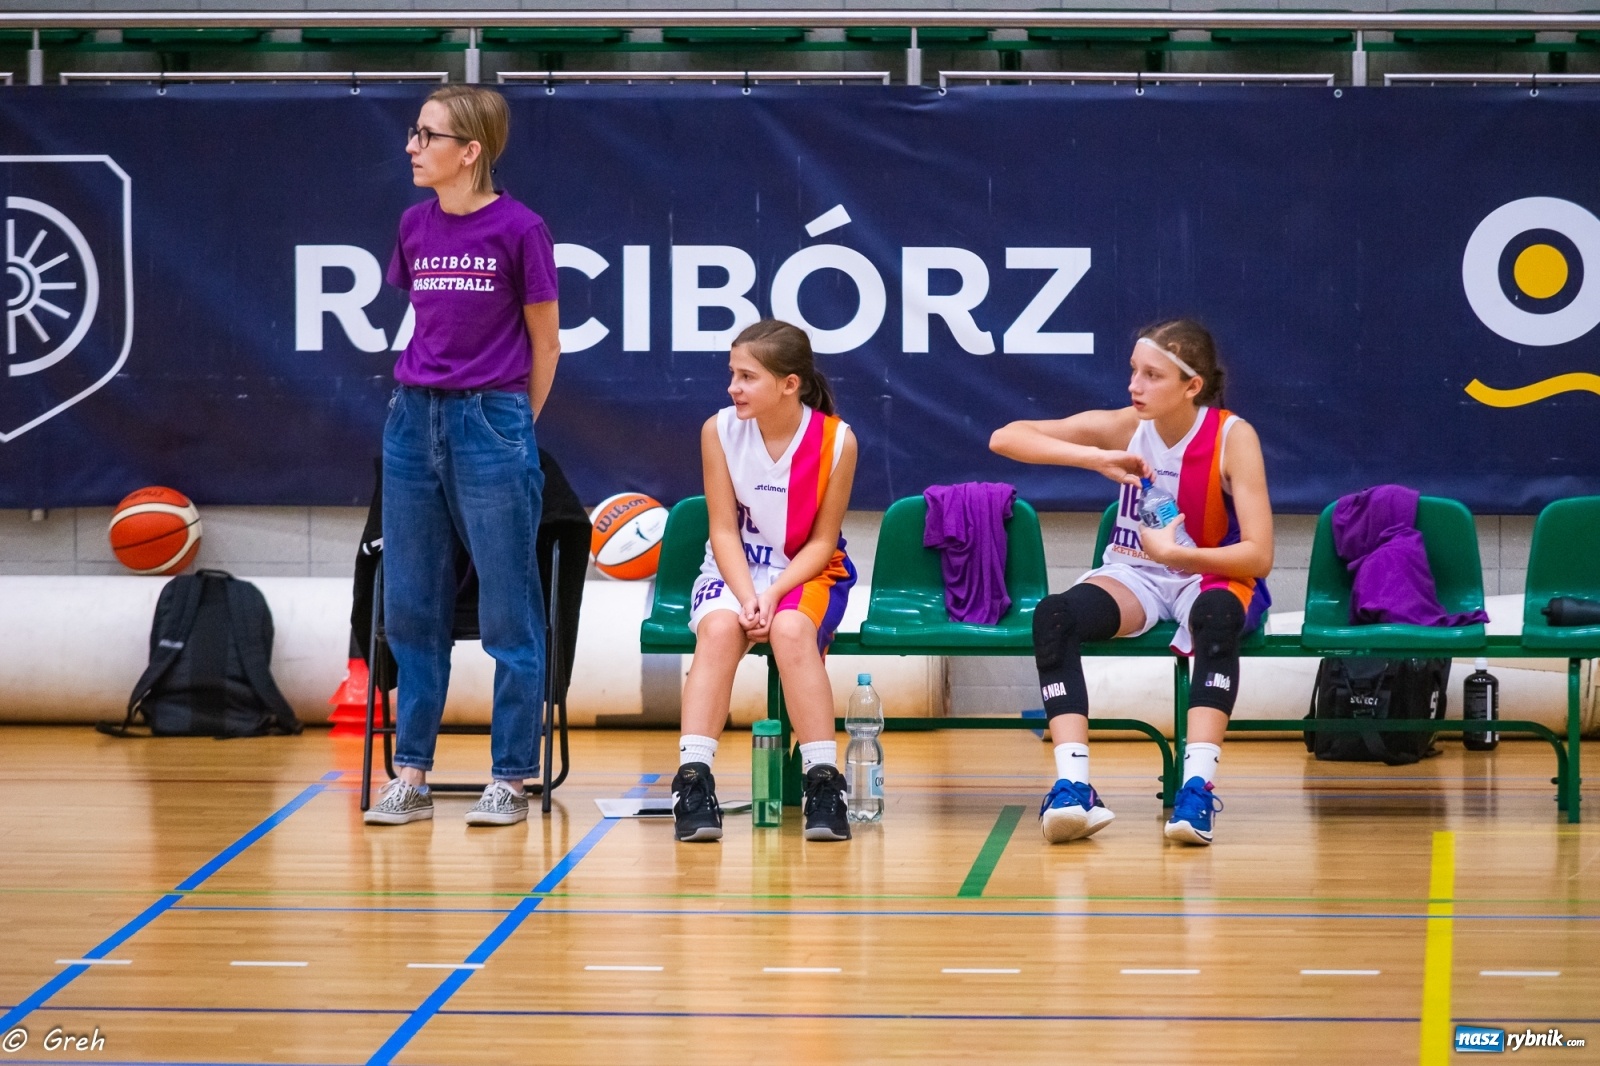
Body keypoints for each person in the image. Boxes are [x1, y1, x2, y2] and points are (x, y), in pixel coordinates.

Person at [990, 320, 1272, 846]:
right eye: (1133, 371)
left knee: (1217, 618)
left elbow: (1259, 555)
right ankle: (1073, 787)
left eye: (1152, 375)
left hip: (1207, 572)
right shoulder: (1127, 427)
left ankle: (1196, 789)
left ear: (1191, 386)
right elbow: (1005, 437)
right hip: (1135, 574)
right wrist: (1094, 457)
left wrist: (1177, 554)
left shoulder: (1233, 437)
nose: (1134, 385)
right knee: (1054, 616)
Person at [364, 86, 561, 828]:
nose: (412, 147)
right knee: (412, 607)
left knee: (510, 611)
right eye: (415, 133)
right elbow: (428, 322)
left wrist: (512, 430)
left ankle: (510, 777)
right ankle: (411, 774)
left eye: (428, 135)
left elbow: (546, 344)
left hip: (492, 417)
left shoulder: (521, 229)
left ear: (470, 151)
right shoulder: (414, 224)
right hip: (412, 420)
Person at [672, 320, 860, 843]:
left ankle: (824, 783)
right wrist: (749, 596)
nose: (733, 387)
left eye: (747, 376)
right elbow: (722, 529)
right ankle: (692, 782)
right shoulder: (718, 431)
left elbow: (823, 542)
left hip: (806, 568)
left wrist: (774, 595)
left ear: (789, 384)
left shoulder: (837, 441)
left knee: (791, 630)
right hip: (736, 568)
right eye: (733, 373)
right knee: (718, 631)